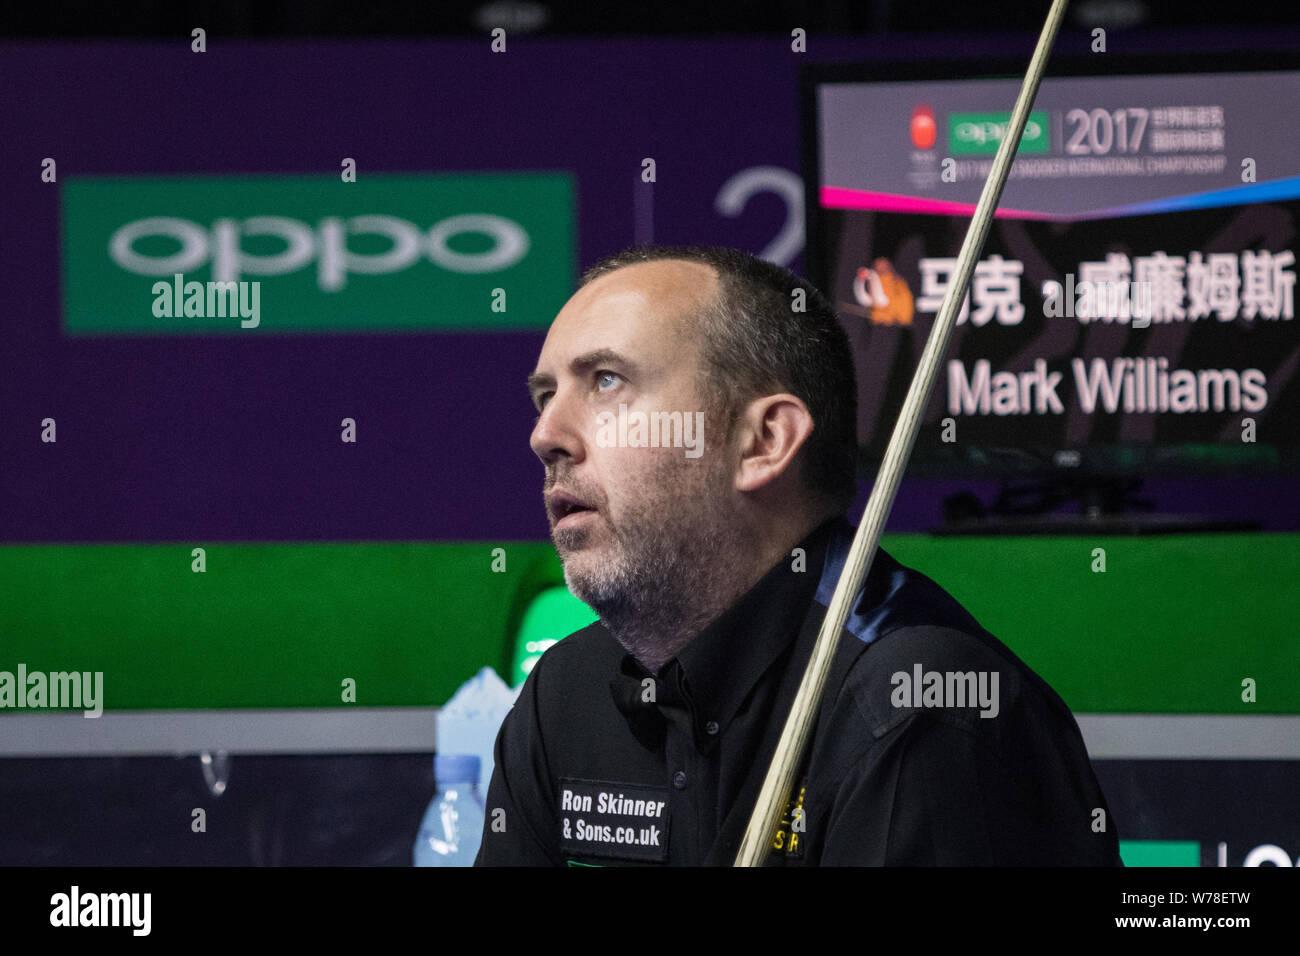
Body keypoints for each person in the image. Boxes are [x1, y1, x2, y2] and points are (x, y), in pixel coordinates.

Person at [475, 244, 1121, 866]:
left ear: (764, 441)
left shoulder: (919, 704)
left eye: (607, 382)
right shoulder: (562, 697)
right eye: (544, 395)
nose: (544, 436)